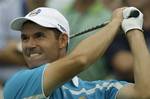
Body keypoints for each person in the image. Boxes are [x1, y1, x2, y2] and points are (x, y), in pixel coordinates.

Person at [3, 7, 150, 99]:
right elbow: (80, 60)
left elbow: (144, 92)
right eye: (25, 38)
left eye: (39, 36)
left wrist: (133, 29)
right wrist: (115, 23)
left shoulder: (96, 90)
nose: (29, 45)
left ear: (62, 40)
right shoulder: (19, 83)